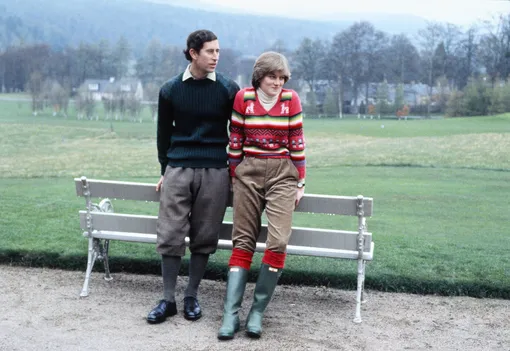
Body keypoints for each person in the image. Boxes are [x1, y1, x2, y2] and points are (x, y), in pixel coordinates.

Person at [147, 29, 240, 324]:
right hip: (178, 168)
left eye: (218, 51)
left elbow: (237, 134)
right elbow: (163, 135)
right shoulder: (170, 90)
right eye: (210, 51)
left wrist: (234, 173)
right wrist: (165, 170)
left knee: (205, 235)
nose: (216, 56)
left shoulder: (228, 89)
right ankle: (168, 300)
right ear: (193, 53)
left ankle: (191, 297)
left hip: (216, 170)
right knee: (170, 233)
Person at [217, 51, 306, 340]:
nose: (278, 82)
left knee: (278, 240)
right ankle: (230, 315)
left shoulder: (290, 100)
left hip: (283, 173)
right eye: (272, 76)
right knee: (242, 240)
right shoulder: (243, 98)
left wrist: (300, 181)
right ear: (259, 76)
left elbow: (297, 141)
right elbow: (236, 139)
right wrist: (235, 175)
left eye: (282, 78)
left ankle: (256, 312)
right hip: (248, 172)